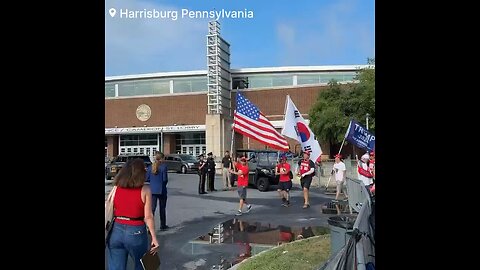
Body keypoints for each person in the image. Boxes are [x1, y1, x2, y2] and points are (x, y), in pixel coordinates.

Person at [107, 158, 159, 270]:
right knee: (142, 265)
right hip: (136, 231)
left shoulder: (117, 188)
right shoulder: (145, 190)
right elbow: (148, 216)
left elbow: (109, 206)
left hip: (116, 230)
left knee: (116, 266)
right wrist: (154, 238)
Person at [146, 152, 169, 231]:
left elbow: (147, 178)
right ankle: (163, 225)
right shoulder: (163, 167)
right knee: (162, 208)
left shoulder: (150, 167)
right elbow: (165, 179)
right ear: (161, 159)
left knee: (152, 209)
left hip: (152, 190)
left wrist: (152, 182)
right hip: (162, 190)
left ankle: (149, 226)